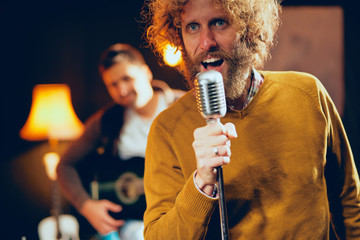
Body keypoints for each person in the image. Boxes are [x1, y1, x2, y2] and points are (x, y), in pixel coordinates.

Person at [141, 0, 360, 239]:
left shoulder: (308, 94)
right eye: (192, 27)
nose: (206, 42)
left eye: (219, 22)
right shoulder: (167, 129)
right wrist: (201, 183)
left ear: (250, 28)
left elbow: (349, 202)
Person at [56, 43, 184, 240]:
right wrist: (87, 206)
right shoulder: (107, 120)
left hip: (182, 221)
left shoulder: (183, 106)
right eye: (113, 85)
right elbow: (64, 166)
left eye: (127, 78)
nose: (122, 91)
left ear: (146, 73)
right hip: (132, 230)